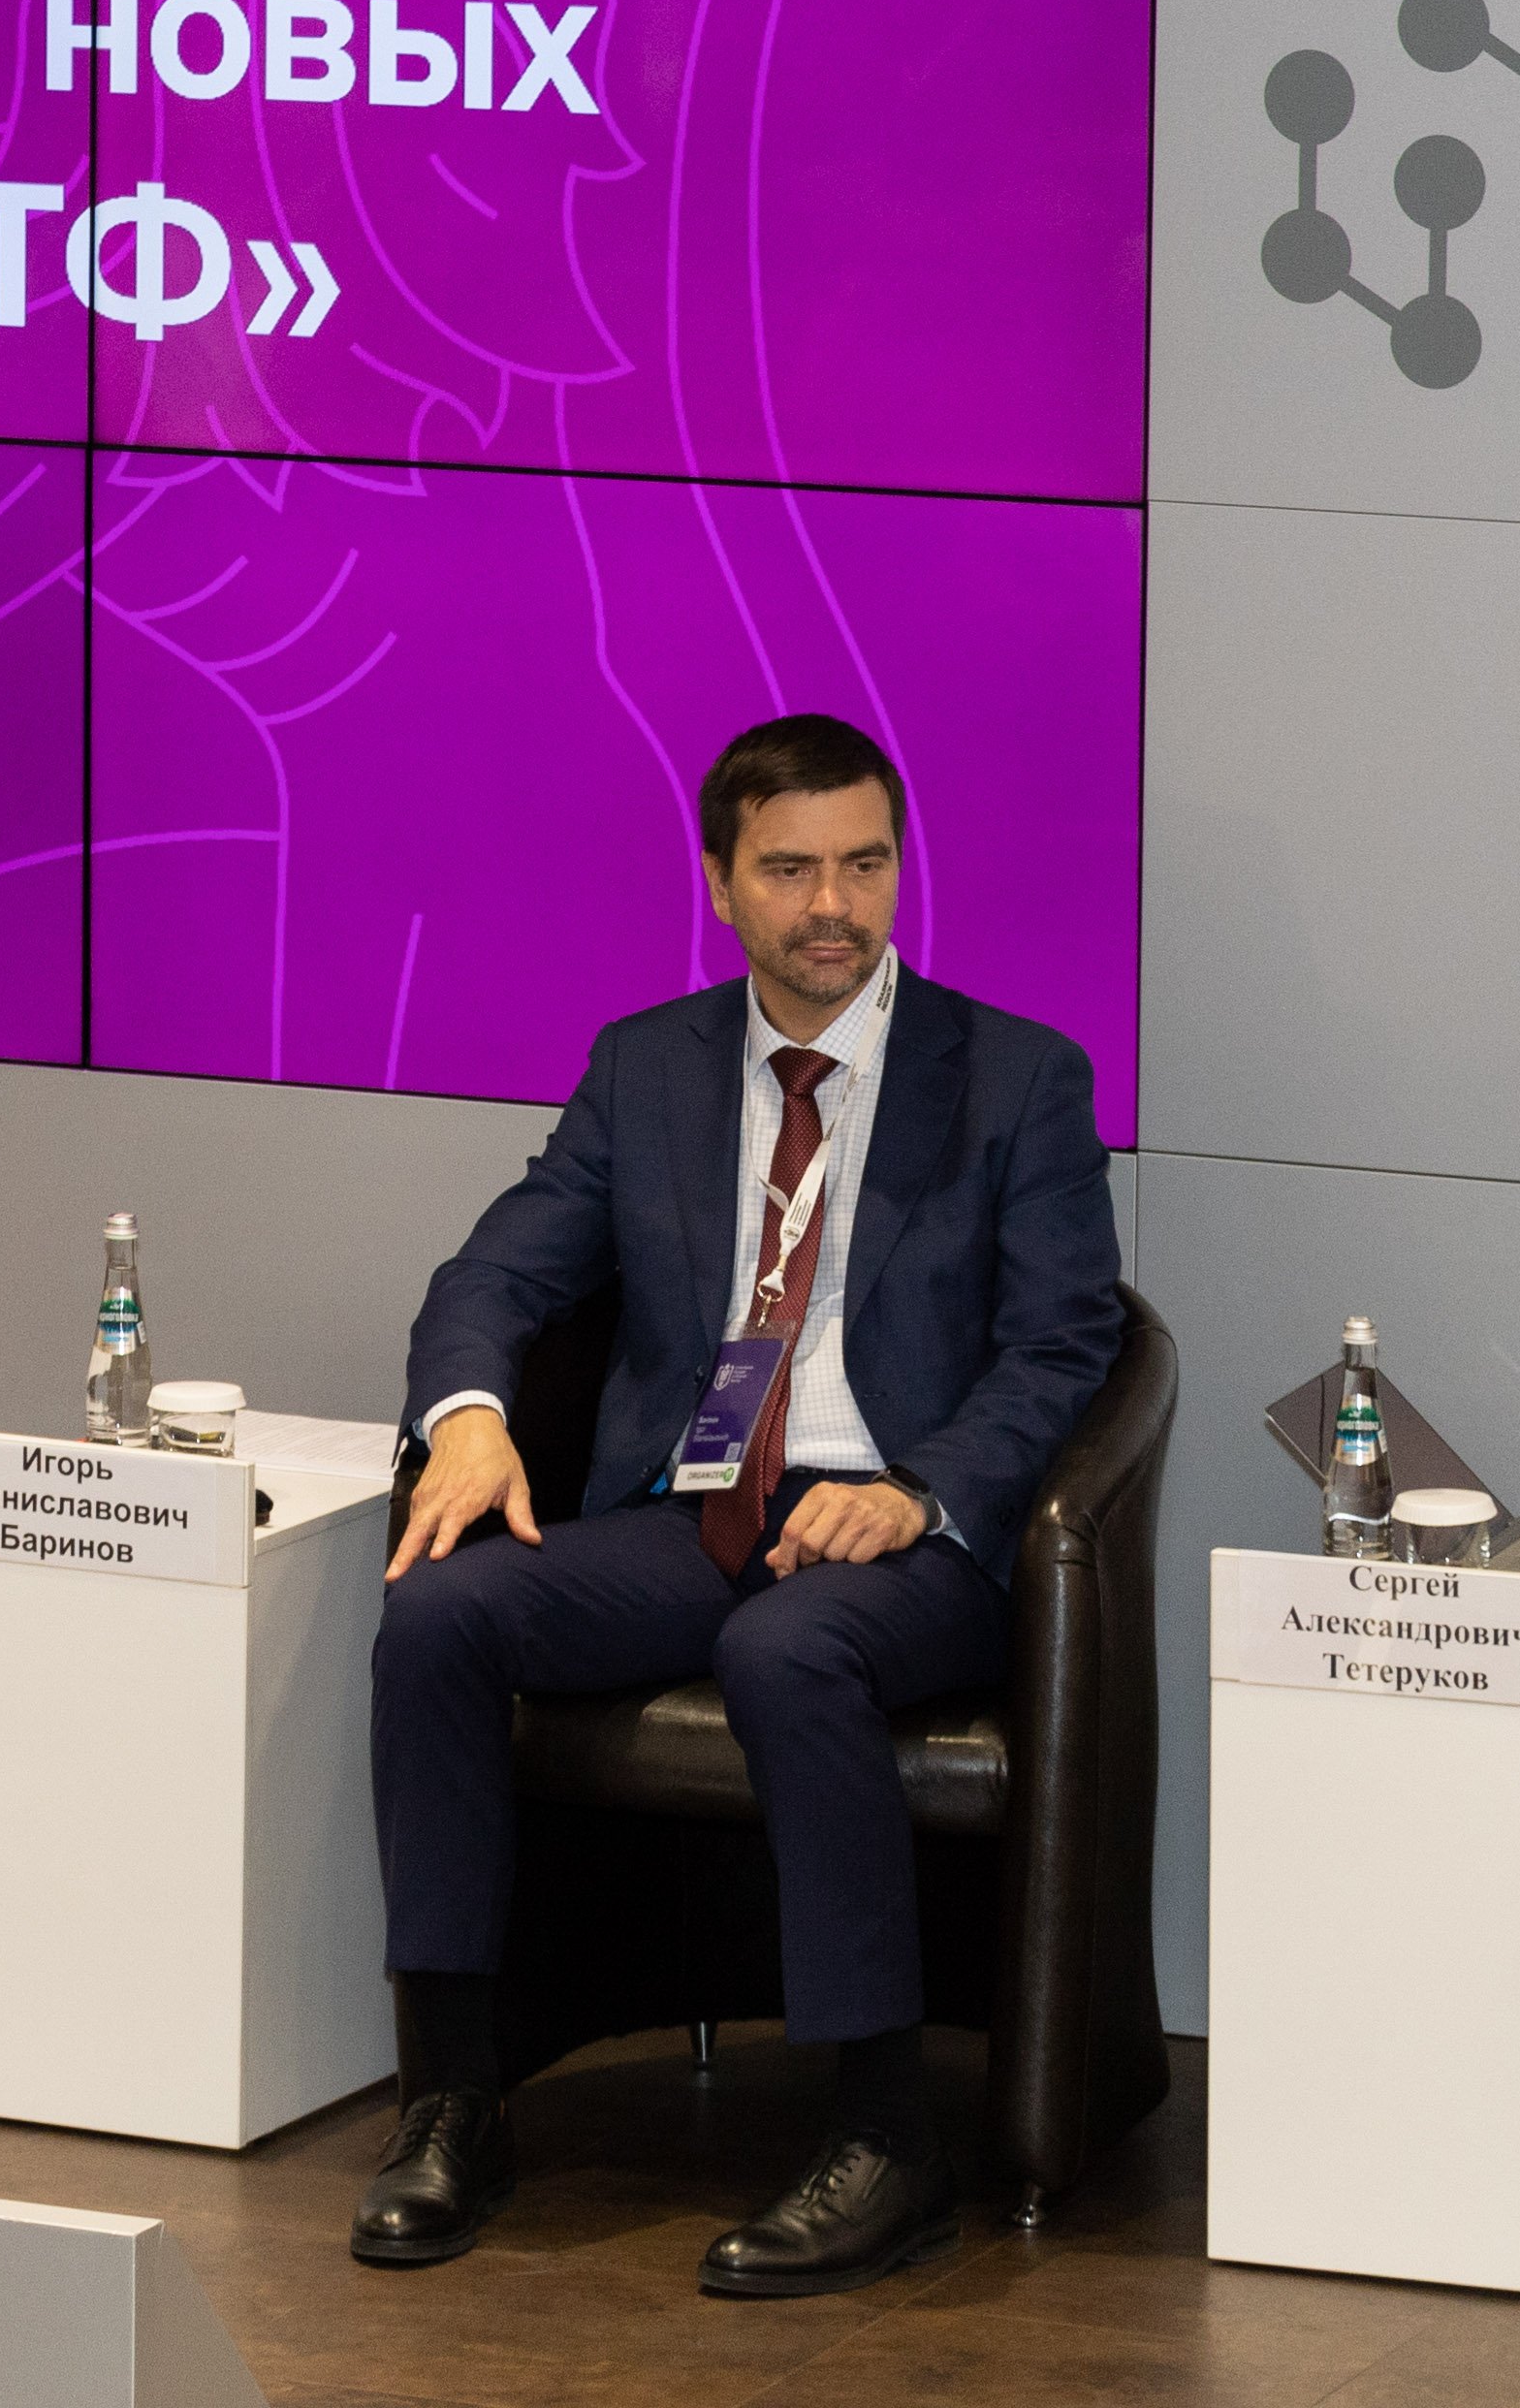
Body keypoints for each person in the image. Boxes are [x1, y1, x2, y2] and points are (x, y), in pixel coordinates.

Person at [351, 712, 1124, 2297]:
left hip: (908, 1534)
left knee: (791, 1644)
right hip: (699, 1505)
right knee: (438, 1613)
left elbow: (1066, 1346)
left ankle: (886, 2137)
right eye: (790, 870)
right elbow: (495, 1275)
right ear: (718, 882)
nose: (833, 904)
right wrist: (471, 1421)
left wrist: (922, 1491)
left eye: (865, 864)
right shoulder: (648, 1068)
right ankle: (453, 2098)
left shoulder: (1019, 1078)